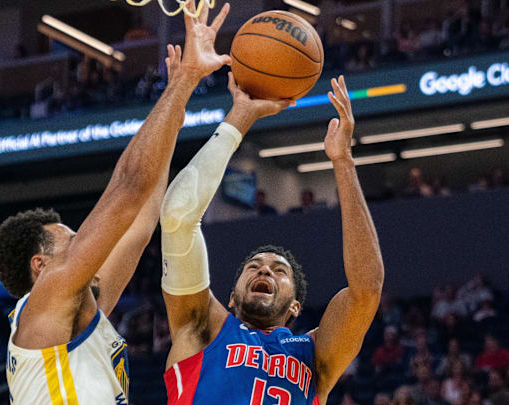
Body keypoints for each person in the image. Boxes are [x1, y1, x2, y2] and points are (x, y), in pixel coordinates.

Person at [0, 1, 233, 403]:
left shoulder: (79, 308)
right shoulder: (46, 299)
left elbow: (140, 222)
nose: (88, 243)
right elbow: (129, 185)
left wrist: (175, 106)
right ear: (41, 265)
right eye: (72, 240)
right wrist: (184, 81)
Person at [160, 75, 384, 404]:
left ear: (295, 305)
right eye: (253, 267)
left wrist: (343, 161)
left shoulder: (314, 356)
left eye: (279, 271)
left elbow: (367, 290)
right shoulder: (202, 328)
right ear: (232, 298)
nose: (264, 271)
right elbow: (179, 215)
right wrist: (240, 116)